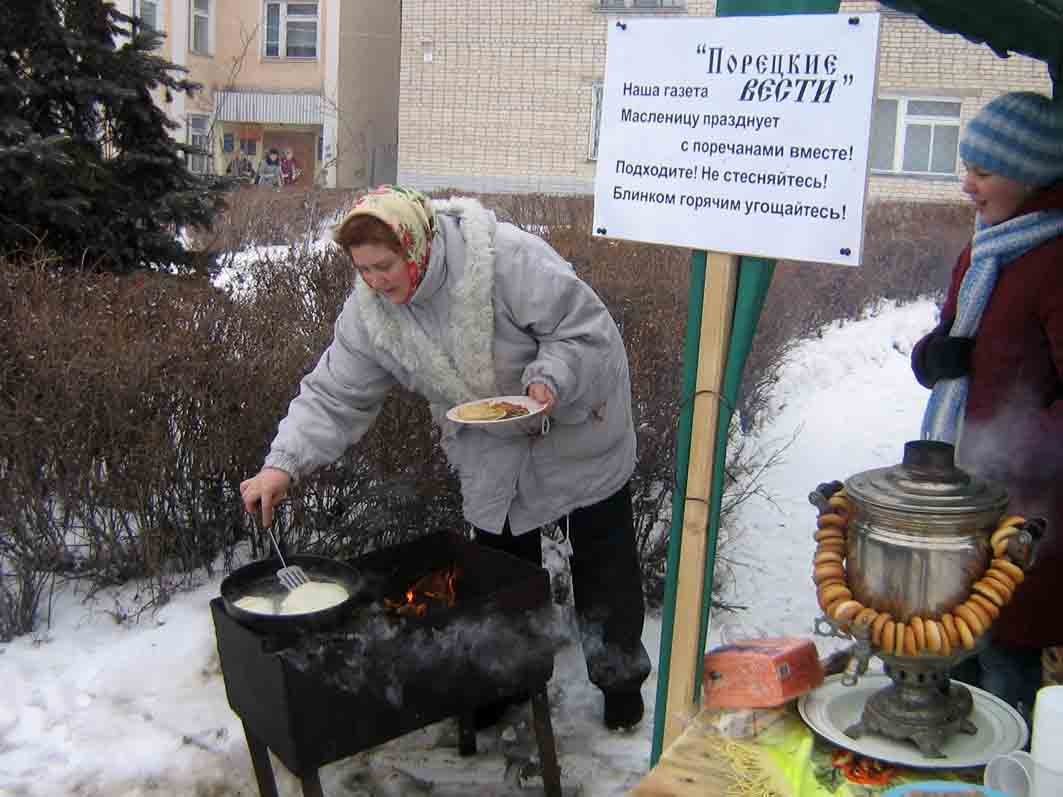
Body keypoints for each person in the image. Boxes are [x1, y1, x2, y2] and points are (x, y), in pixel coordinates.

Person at [240, 185, 652, 730]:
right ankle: (511, 678)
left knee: (604, 562)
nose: (375, 281)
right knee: (503, 569)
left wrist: (550, 379)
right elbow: (334, 393)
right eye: (362, 270)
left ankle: (619, 680)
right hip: (492, 441)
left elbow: (586, 333)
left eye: (384, 266)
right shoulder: (373, 315)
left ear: (417, 246)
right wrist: (282, 463)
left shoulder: (506, 259)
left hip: (577, 422)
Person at [912, 91, 1063, 723]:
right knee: (957, 635)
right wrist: (935, 354)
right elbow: (957, 336)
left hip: (1033, 510)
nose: (967, 185)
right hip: (968, 485)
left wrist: (1025, 451)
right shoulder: (989, 249)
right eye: (965, 167)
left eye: (983, 171)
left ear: (1033, 175)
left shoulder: (1054, 260)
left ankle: (1004, 770)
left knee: (1003, 652)